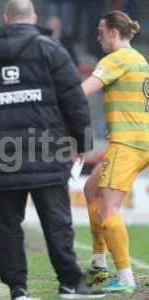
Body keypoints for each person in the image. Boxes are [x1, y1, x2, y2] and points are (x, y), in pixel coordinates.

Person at [0, 1, 104, 299]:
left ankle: (18, 289)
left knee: (7, 226)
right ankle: (70, 283)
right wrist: (83, 143)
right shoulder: (51, 50)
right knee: (57, 222)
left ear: (6, 18)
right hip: (47, 152)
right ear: (33, 18)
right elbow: (74, 100)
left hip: (0, 157)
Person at [82, 10, 147, 293]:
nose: (97, 37)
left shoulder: (117, 58)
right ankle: (98, 263)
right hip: (137, 140)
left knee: (108, 209)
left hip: (128, 143)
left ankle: (126, 279)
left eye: (100, 31)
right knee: (90, 189)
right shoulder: (139, 59)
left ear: (111, 31)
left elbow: (83, 90)